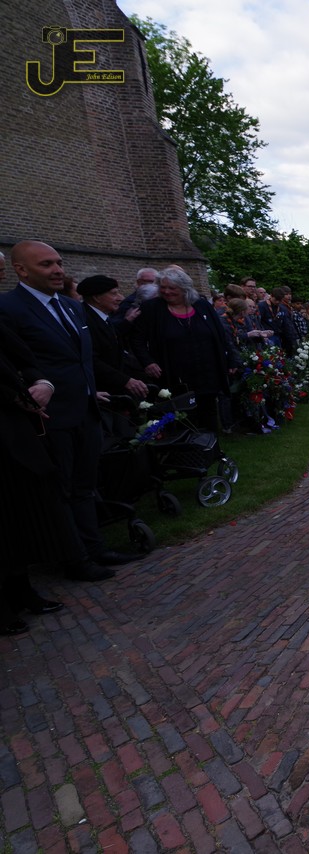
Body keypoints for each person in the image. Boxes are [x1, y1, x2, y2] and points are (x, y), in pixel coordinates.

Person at [0, 240, 137, 579]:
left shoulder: (73, 307)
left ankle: (95, 547)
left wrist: (91, 390)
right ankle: (74, 559)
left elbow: (79, 359)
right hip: (50, 417)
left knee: (85, 485)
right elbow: (16, 364)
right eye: (46, 264)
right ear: (21, 270)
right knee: (60, 489)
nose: (58, 270)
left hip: (86, 409)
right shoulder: (9, 309)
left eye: (59, 262)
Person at [0, 317, 75, 634]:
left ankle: (21, 589)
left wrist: (42, 383)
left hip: (12, 430)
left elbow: (22, 355)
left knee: (17, 511)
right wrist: (13, 396)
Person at [132, 266, 239, 431]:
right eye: (163, 287)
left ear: (185, 289)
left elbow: (220, 335)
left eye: (172, 288)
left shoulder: (202, 306)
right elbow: (137, 339)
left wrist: (230, 359)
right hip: (174, 374)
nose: (166, 291)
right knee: (182, 416)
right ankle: (187, 445)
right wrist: (148, 362)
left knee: (208, 413)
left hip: (207, 373)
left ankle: (211, 444)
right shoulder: (151, 308)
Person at [78, 275, 149, 398]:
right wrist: (124, 380)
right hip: (102, 392)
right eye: (114, 294)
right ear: (96, 298)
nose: (120, 298)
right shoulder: (85, 320)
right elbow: (92, 359)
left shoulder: (102, 316)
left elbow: (111, 337)